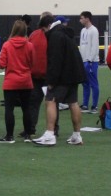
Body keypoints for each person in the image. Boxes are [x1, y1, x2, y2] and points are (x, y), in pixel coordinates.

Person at [34, 17, 86, 146]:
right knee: (73, 102)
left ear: (48, 26)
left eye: (43, 30)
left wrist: (51, 80)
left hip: (63, 75)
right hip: (74, 74)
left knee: (50, 100)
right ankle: (77, 135)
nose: (43, 33)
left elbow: (56, 59)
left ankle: (50, 134)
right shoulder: (65, 33)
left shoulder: (55, 36)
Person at [0, 19, 35, 143]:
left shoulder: (7, 45)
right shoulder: (29, 45)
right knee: (26, 108)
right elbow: (32, 63)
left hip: (11, 82)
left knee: (9, 109)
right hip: (26, 81)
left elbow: (1, 65)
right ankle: (28, 135)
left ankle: (9, 136)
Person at [26, 13, 52, 137]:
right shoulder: (53, 36)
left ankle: (31, 128)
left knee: (33, 103)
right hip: (48, 76)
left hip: (35, 74)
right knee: (51, 103)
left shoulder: (34, 35)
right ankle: (53, 129)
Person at [78, 11, 100, 113]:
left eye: (81, 18)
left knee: (93, 83)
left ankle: (94, 106)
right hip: (83, 61)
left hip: (92, 62)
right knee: (85, 83)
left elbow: (94, 47)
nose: (80, 20)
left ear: (87, 19)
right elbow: (82, 46)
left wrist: (90, 60)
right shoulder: (83, 30)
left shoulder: (94, 30)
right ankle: (85, 105)